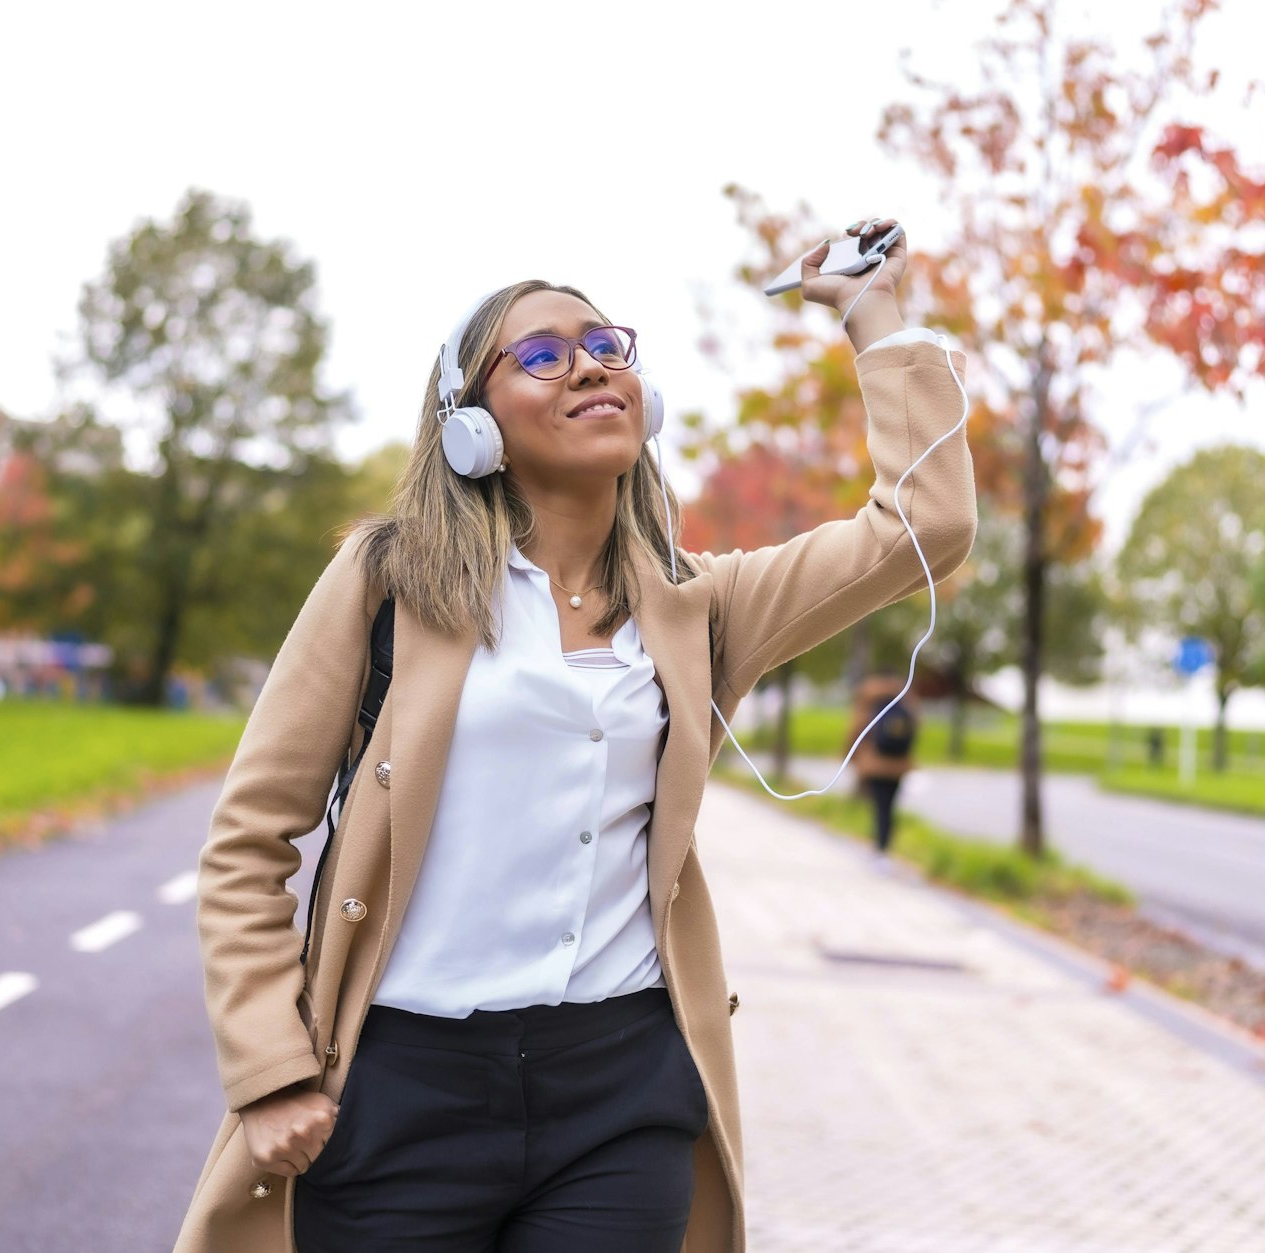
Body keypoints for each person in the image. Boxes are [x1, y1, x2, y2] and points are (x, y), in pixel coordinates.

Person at [174, 217, 978, 1253]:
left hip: (619, 1090)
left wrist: (873, 312)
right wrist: (268, 1066)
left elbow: (925, 525)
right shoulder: (388, 579)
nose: (588, 367)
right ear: (471, 422)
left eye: (606, 347)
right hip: (401, 1089)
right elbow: (250, 838)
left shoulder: (697, 603)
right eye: (542, 355)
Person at [845, 669, 918, 855]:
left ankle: (879, 849)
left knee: (879, 807)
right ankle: (885, 848)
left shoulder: (868, 699)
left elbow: (856, 730)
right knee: (890, 807)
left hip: (875, 764)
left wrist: (850, 757)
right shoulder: (904, 696)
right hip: (898, 765)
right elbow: (916, 727)